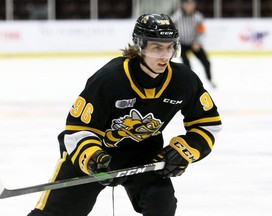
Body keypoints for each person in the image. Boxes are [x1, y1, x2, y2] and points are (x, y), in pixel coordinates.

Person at [27, 13, 222, 216]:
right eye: (156, 48)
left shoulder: (184, 81)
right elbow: (78, 128)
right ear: (140, 47)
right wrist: (93, 159)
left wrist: (184, 150)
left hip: (144, 155)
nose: (165, 56)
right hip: (97, 152)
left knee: (161, 206)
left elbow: (207, 124)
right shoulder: (110, 79)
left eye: (169, 47)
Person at [171, 0, 216, 88]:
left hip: (194, 43)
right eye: (187, 4)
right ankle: (190, 82)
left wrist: (197, 42)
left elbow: (201, 31)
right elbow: (171, 29)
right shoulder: (177, 16)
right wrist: (175, 42)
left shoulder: (198, 16)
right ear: (183, 5)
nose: (189, 6)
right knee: (186, 64)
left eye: (191, 4)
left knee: (206, 62)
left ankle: (210, 80)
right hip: (182, 43)